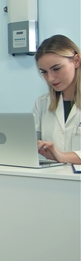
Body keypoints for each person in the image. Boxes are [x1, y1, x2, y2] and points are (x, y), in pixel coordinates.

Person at [33, 34, 81, 164]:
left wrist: (61, 156)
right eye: (44, 72)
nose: (50, 78)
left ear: (76, 61)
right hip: (54, 179)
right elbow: (28, 144)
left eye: (56, 69)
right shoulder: (42, 103)